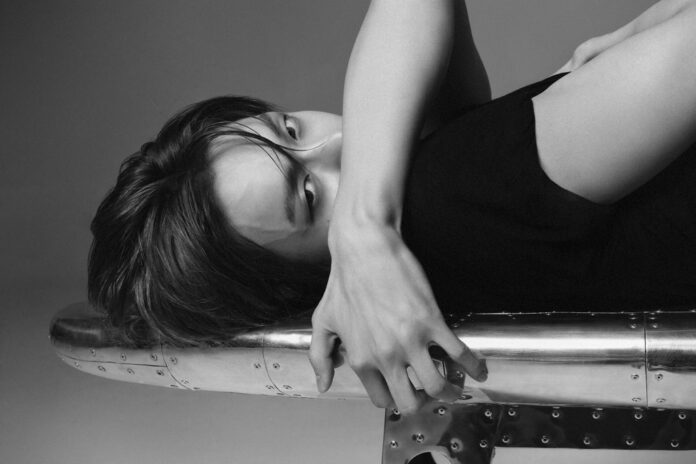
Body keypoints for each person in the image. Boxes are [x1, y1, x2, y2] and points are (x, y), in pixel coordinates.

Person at [88, 0, 696, 416]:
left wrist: (357, 221)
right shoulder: (449, 197)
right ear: (302, 287)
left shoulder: (422, 212)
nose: (342, 139)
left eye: (291, 128)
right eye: (309, 194)